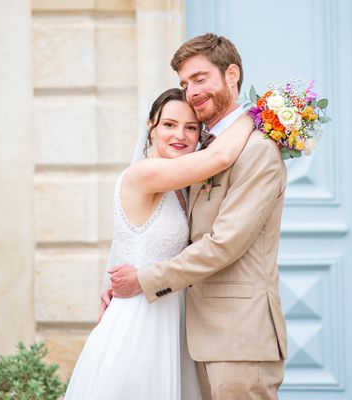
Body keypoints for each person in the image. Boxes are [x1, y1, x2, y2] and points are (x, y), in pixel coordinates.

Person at [110, 33, 288, 400]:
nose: (191, 91)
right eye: (184, 83)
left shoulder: (256, 148)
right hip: (192, 334)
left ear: (232, 75)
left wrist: (142, 279)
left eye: (200, 78)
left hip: (239, 339)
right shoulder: (198, 153)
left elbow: (224, 243)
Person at [64, 87, 254, 400]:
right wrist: (258, 116)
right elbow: (220, 156)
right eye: (169, 124)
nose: (180, 135)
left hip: (171, 313)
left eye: (191, 127)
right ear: (151, 126)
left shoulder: (181, 185)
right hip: (142, 320)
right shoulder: (145, 173)